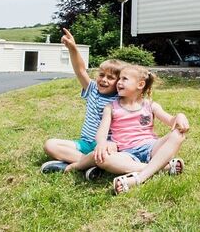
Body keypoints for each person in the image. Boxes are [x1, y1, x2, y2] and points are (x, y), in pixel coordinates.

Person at [68, 64, 189, 194]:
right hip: (126, 153)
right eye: (119, 79)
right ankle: (162, 166)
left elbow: (171, 120)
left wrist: (180, 116)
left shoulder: (150, 105)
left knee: (178, 134)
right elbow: (102, 131)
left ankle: (139, 178)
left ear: (140, 85)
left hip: (151, 147)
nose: (119, 82)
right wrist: (101, 143)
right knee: (102, 159)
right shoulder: (111, 107)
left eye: (124, 79)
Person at [41, 28, 124, 179]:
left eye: (110, 78)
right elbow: (80, 70)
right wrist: (73, 48)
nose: (104, 80)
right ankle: (88, 163)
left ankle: (77, 164)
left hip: (106, 146)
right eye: (101, 75)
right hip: (84, 144)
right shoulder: (92, 89)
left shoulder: (120, 99)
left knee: (109, 156)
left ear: (119, 83)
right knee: (50, 145)